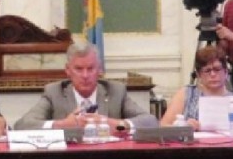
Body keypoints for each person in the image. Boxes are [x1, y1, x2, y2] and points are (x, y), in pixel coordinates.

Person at [13, 42, 157, 132]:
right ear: (68, 71)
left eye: (91, 68)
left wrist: (117, 124)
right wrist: (62, 125)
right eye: (79, 69)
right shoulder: (54, 92)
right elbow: (22, 126)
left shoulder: (116, 91)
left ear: (99, 70)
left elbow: (151, 121)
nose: (85, 75)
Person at [160, 46, 233, 130]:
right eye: (207, 70)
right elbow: (163, 126)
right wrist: (184, 127)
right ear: (199, 74)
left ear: (226, 72)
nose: (213, 74)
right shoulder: (186, 94)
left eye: (217, 69)